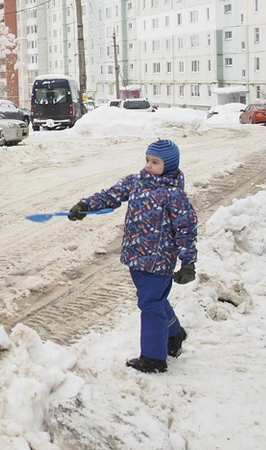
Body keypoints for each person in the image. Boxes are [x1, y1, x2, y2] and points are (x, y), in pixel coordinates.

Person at [68, 139, 197, 374]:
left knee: (150, 304)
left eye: (155, 162)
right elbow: (111, 195)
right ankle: (174, 332)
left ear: (168, 165)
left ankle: (153, 358)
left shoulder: (174, 195)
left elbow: (186, 229)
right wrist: (85, 206)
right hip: (135, 256)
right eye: (147, 160)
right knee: (154, 301)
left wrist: (188, 263)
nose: (148, 165)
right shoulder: (136, 182)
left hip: (159, 261)